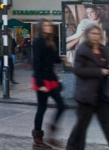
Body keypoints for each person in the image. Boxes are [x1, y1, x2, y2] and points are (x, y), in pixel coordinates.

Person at [65, 24, 109, 150]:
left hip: (104, 94)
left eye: (97, 34)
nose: (95, 36)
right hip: (87, 95)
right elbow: (78, 71)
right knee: (80, 128)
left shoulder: (105, 50)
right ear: (87, 35)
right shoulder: (82, 50)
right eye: (92, 34)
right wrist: (98, 71)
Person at [31, 18, 66, 149]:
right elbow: (37, 63)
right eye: (45, 25)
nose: (48, 27)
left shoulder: (50, 41)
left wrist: (60, 58)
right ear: (41, 27)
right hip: (42, 79)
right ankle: (38, 140)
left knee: (61, 105)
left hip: (51, 78)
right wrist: (40, 83)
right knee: (42, 108)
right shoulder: (38, 41)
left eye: (49, 25)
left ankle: (51, 133)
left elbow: (51, 59)